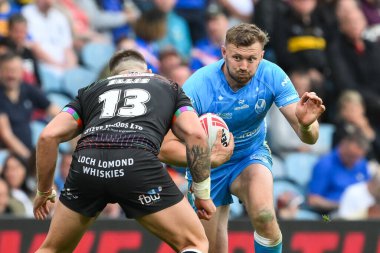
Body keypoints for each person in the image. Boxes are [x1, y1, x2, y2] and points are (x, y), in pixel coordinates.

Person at [159, 23, 326, 253]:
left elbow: (309, 138)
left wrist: (307, 125)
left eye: (251, 59)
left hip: (250, 155)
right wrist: (209, 158)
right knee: (210, 248)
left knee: (265, 214)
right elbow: (165, 148)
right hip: (208, 169)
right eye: (237, 57)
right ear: (224, 52)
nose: (244, 66)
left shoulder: (272, 74)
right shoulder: (198, 86)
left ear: (262, 56)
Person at [33, 49, 216, 253]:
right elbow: (197, 136)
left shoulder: (91, 90)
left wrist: (44, 191)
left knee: (53, 248)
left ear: (113, 77)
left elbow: (47, 137)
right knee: (194, 243)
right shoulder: (168, 87)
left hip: (87, 164)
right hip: (136, 162)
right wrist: (202, 193)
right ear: (147, 71)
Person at [307, 129, 371, 215]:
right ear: (342, 147)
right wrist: (340, 205)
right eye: (351, 156)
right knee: (328, 222)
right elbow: (313, 200)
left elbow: (368, 191)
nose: (354, 161)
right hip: (328, 215)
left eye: (358, 157)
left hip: (360, 212)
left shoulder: (361, 163)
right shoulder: (325, 165)